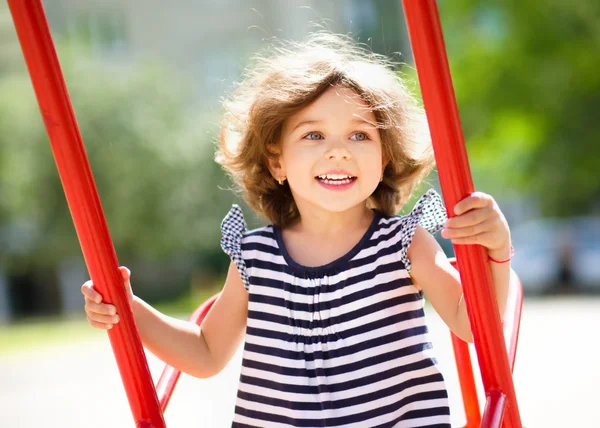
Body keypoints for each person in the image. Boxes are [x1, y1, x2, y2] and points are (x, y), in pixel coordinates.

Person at [81, 33, 515, 427]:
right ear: (277, 162)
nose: (338, 152)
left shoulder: (401, 244)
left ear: (385, 156)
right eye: (313, 136)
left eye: (360, 136)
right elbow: (206, 353)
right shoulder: (256, 258)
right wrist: (129, 309)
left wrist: (496, 250)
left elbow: (471, 322)